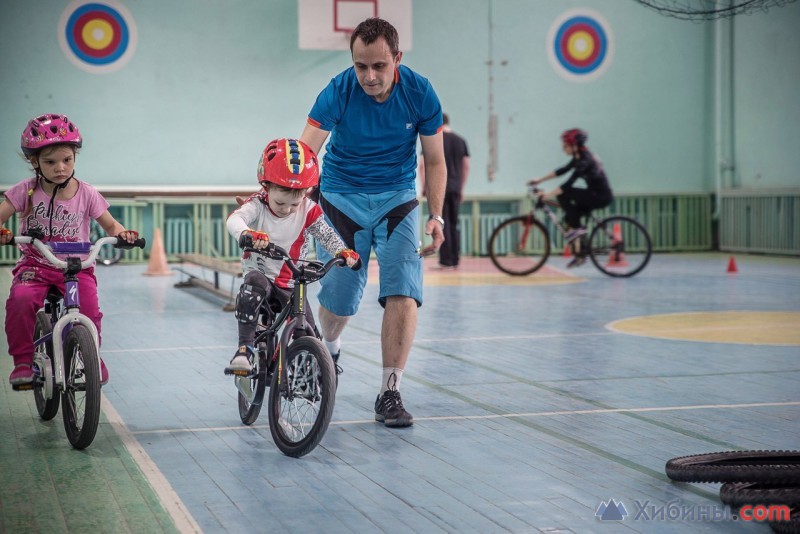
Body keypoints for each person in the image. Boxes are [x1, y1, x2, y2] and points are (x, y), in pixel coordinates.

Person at [299, 17, 447, 428]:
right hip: (340, 199)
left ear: (397, 58)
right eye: (361, 66)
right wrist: (277, 197)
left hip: (397, 198)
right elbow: (307, 152)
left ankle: (390, 390)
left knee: (404, 289)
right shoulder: (337, 90)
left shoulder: (420, 93)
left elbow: (435, 160)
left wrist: (435, 216)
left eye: (379, 66)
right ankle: (330, 349)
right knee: (338, 298)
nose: (369, 76)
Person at [0, 113, 139, 389]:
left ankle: (91, 356)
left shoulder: (87, 193)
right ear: (34, 162)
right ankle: (24, 362)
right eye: (50, 162)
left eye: (67, 160)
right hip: (36, 266)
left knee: (88, 309)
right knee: (20, 300)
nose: (60, 168)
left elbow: (110, 224)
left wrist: (122, 234)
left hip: (76, 268)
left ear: (75, 157)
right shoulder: (25, 191)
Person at [225, 138, 360, 374]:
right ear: (266, 187)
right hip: (262, 276)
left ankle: (312, 370)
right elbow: (234, 219)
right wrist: (246, 233)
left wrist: (342, 251)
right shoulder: (257, 204)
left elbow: (326, 234)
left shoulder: (309, 209)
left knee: (307, 329)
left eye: (294, 204)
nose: (287, 209)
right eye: (280, 203)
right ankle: (244, 349)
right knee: (253, 286)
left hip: (291, 282)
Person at [528, 128, 613, 267]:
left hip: (600, 196)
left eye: (566, 145)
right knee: (569, 218)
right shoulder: (579, 156)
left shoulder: (585, 160)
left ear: (575, 146)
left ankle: (578, 229)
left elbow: (568, 184)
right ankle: (580, 254)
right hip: (594, 193)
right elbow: (562, 170)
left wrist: (547, 195)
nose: (563, 148)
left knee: (565, 193)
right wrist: (540, 180)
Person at [418, 113, 470, 269]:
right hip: (455, 187)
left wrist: (424, 187)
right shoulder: (460, 141)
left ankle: (446, 261)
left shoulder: (433, 139)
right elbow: (465, 166)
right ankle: (455, 259)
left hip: (437, 188)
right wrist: (461, 188)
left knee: (440, 222)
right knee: (453, 224)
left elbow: (422, 166)